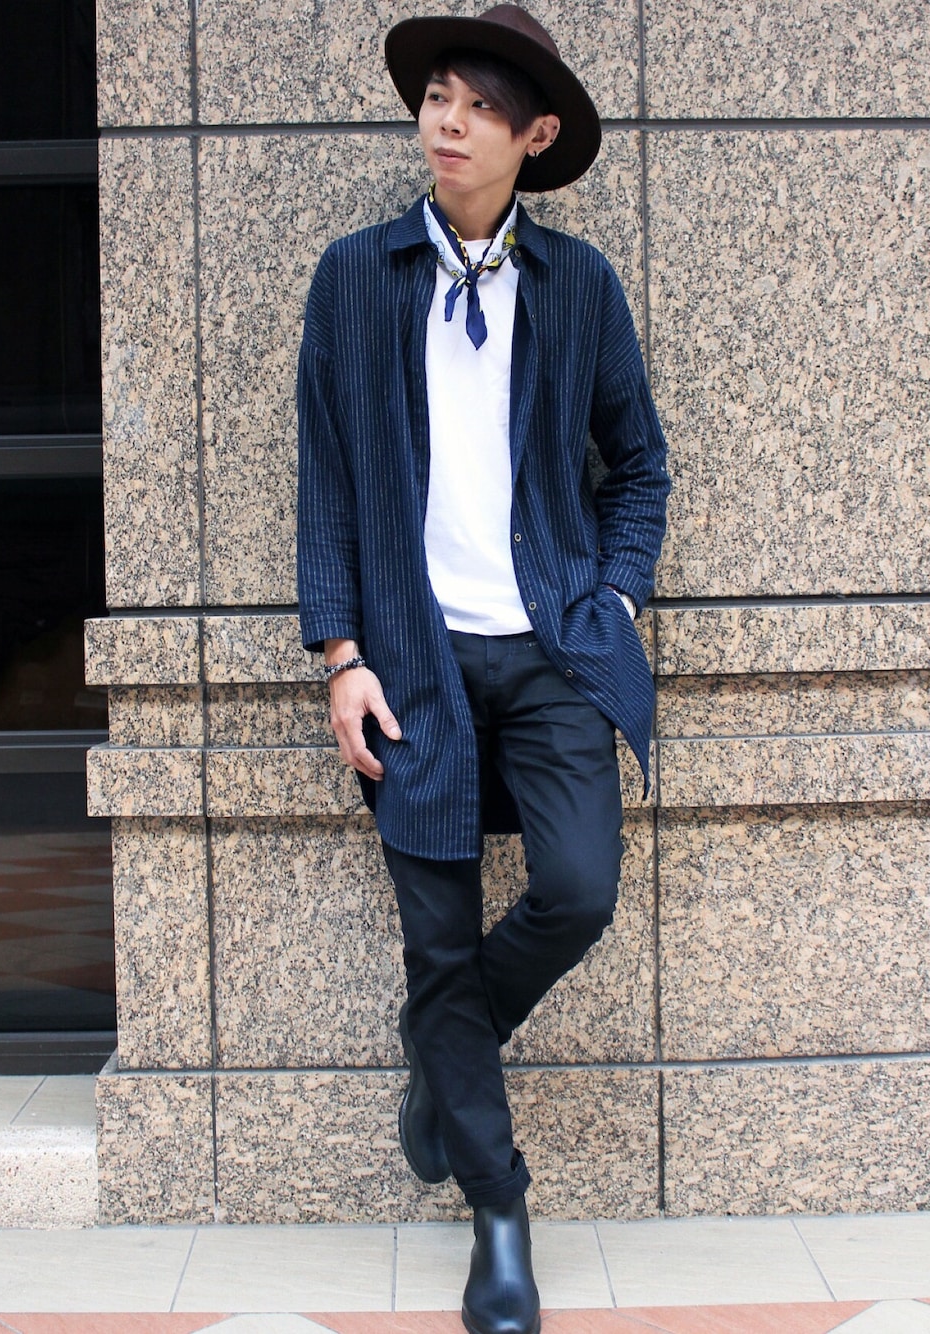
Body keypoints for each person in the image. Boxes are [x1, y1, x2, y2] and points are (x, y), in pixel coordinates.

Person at [297, 7, 670, 1332]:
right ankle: (499, 1215)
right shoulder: (356, 276)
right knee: (439, 939)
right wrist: (341, 652)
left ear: (536, 135)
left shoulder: (580, 288)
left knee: (576, 891)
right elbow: (327, 478)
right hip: (411, 660)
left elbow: (640, 464)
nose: (446, 123)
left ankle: (443, 1046)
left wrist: (611, 596)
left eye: (478, 106)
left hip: (552, 642)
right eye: (435, 98)